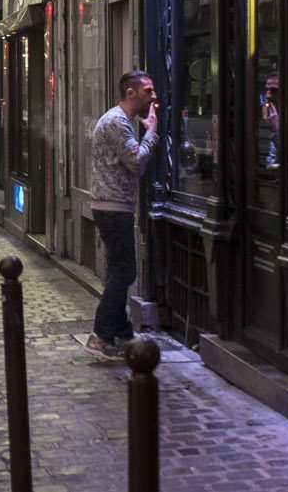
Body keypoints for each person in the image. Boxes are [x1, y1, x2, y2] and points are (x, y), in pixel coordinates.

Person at [82, 70, 159, 362]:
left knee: (118, 271)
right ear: (131, 93)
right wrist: (151, 132)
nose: (153, 97)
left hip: (113, 206)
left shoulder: (120, 120)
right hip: (113, 208)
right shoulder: (117, 121)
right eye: (148, 91)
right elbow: (136, 162)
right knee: (125, 272)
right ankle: (101, 335)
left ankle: (122, 331)